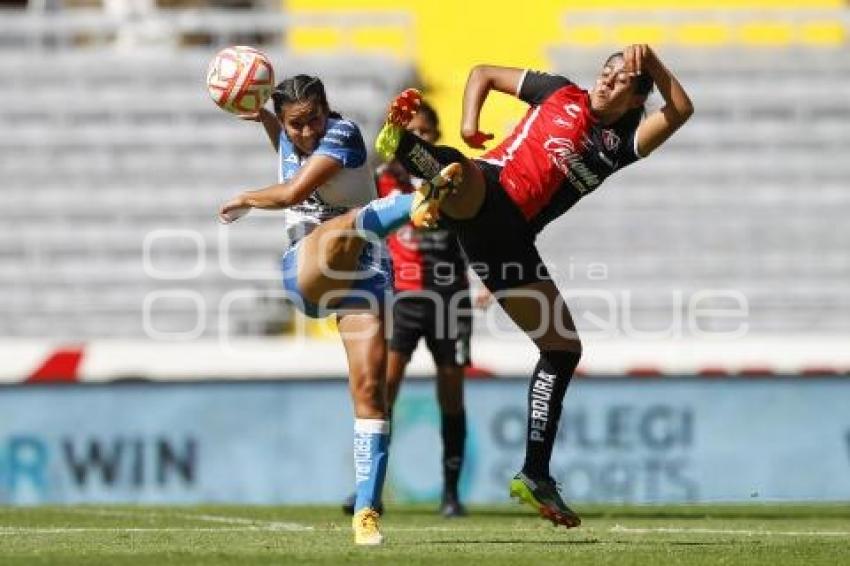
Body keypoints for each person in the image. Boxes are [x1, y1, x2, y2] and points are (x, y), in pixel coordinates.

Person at [368, 44, 694, 527]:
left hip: (510, 246)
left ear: (634, 97)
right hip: (493, 190)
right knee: (463, 176)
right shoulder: (559, 92)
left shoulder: (623, 146)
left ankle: (535, 474)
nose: (606, 79)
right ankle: (408, 150)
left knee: (562, 349)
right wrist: (468, 122)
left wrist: (654, 65)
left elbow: (681, 109)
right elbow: (482, 71)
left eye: (621, 78)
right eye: (606, 70)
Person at [217, 74, 461, 545]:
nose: (305, 133)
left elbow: (290, 194)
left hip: (365, 272)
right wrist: (267, 120)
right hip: (310, 267)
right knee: (348, 224)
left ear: (328, 111)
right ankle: (415, 202)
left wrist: (247, 197)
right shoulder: (291, 135)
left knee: (370, 388)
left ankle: (367, 512)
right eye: (295, 125)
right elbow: (291, 165)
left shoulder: (343, 134)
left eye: (312, 121)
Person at [342, 101, 476, 518]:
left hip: (450, 298)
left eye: (427, 132)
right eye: (412, 131)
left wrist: (489, 277)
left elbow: (479, 230)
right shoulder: (385, 181)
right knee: (384, 392)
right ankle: (371, 491)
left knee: (451, 394)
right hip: (403, 298)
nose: (421, 138)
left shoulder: (454, 176)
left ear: (436, 136)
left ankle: (451, 494)